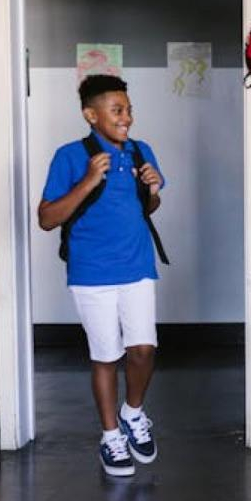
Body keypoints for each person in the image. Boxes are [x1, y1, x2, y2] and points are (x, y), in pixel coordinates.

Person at [38, 74, 165, 477]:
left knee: (143, 350)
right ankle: (111, 437)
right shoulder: (69, 156)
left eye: (128, 109)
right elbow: (46, 218)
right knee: (106, 355)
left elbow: (146, 206)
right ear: (91, 115)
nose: (127, 117)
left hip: (137, 265)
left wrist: (153, 190)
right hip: (91, 272)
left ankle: (132, 413)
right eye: (117, 110)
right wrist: (89, 180)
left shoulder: (141, 151)